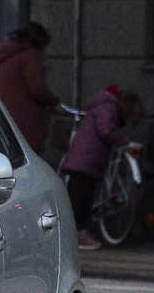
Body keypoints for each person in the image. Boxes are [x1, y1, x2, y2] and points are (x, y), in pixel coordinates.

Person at [61, 85, 144, 250]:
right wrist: (124, 140)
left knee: (81, 196)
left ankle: (73, 234)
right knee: (79, 198)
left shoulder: (104, 105)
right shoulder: (109, 107)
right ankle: (75, 234)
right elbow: (106, 130)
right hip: (87, 159)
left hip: (86, 159)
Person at [0, 22, 61, 151]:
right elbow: (37, 89)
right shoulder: (30, 55)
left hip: (6, 115)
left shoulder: (4, 56)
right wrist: (54, 100)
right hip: (27, 119)